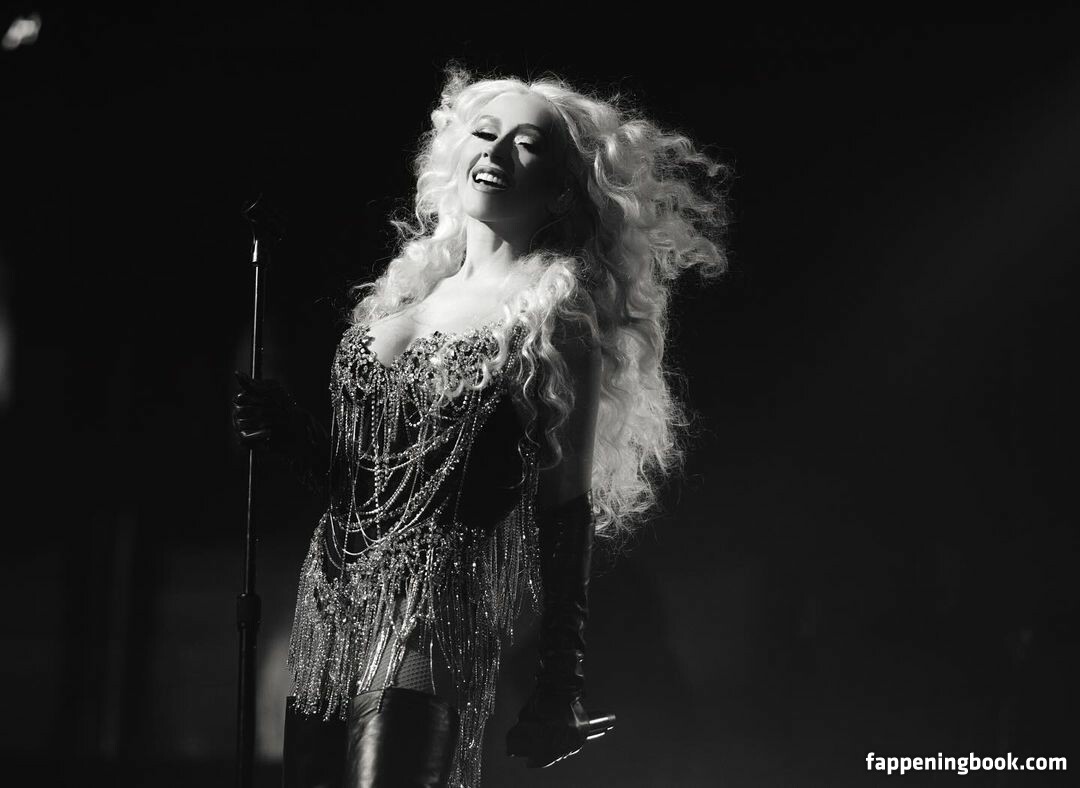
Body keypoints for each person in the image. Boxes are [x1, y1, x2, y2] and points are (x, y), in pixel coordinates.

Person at [232, 63, 729, 788]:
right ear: (454, 151)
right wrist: (294, 435)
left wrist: (559, 684)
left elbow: (564, 511)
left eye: (526, 144)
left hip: (434, 611)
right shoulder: (399, 300)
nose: (496, 152)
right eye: (485, 132)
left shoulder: (554, 319)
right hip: (329, 605)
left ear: (562, 188)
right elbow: (363, 488)